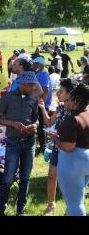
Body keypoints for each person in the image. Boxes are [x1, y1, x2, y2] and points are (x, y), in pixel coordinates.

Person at [0, 71, 39, 216]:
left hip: (29, 143)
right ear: (22, 84)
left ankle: (21, 210)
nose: (33, 87)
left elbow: (36, 120)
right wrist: (12, 123)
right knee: (7, 178)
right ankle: (1, 209)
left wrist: (35, 126)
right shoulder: (7, 97)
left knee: (25, 177)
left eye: (33, 84)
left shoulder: (33, 99)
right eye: (31, 84)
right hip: (13, 143)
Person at [38, 78, 76, 216]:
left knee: (70, 180)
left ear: (70, 95)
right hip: (57, 147)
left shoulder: (76, 112)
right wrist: (42, 108)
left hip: (71, 150)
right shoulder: (60, 108)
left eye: (60, 91)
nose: (57, 94)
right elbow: (48, 123)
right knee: (52, 176)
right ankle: (51, 205)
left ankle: (70, 207)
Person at [51, 83, 89, 216]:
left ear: (75, 102)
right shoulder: (87, 114)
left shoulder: (72, 120)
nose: (66, 102)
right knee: (79, 200)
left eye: (68, 99)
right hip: (86, 161)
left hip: (73, 163)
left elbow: (68, 147)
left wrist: (55, 139)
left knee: (74, 205)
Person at [33, 56, 52, 153]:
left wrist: (42, 104)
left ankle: (43, 147)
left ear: (39, 64)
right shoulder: (38, 73)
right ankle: (41, 145)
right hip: (38, 104)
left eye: (35, 63)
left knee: (41, 126)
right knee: (39, 125)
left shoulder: (43, 74)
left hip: (41, 104)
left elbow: (45, 89)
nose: (33, 65)